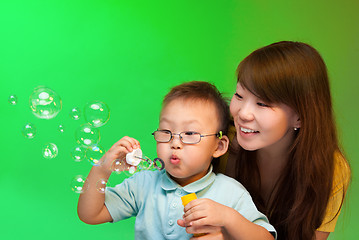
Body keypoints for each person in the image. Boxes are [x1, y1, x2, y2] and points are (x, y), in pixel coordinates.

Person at [180, 41, 351, 240]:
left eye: (262, 103)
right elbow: (168, 176)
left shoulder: (331, 169)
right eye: (239, 95)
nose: (243, 113)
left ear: (300, 116)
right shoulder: (219, 137)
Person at [77, 81, 277, 239]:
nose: (175, 143)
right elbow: (90, 214)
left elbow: (266, 238)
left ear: (218, 146)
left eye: (190, 133)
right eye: (166, 132)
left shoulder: (230, 192)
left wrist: (228, 218)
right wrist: (103, 168)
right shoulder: (143, 185)